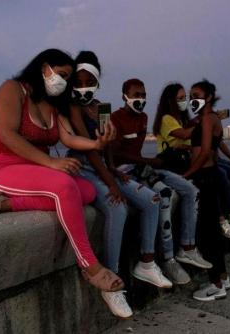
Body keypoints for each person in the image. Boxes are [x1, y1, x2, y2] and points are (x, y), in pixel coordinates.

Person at [0, 49, 123, 294]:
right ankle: (90, 265)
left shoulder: (54, 104)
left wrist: (97, 144)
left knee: (87, 191)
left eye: (67, 77)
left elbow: (69, 138)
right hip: (3, 167)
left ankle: (5, 205)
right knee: (64, 186)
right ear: (44, 68)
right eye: (61, 74)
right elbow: (7, 136)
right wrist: (50, 163)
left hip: (36, 170)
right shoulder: (12, 89)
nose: (62, 81)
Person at [67, 51, 152, 317]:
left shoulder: (100, 106)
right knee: (117, 207)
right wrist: (111, 183)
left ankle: (149, 263)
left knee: (151, 201)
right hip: (84, 168)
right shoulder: (73, 106)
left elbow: (106, 148)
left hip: (104, 167)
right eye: (78, 81)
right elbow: (91, 149)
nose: (83, 87)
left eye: (88, 80)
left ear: (96, 80)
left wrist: (114, 168)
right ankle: (111, 282)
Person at [110, 78, 212, 286]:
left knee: (190, 191)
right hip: (128, 169)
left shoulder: (144, 118)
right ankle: (167, 259)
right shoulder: (115, 118)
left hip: (144, 167)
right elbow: (116, 153)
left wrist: (147, 163)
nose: (141, 99)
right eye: (136, 95)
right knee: (163, 194)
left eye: (143, 95)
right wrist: (146, 161)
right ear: (124, 96)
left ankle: (188, 247)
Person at [153, 83, 230, 240]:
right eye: (182, 98)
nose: (186, 101)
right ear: (170, 100)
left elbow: (214, 141)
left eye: (186, 97)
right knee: (221, 176)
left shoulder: (186, 119)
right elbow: (184, 136)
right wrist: (204, 123)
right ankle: (226, 217)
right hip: (177, 161)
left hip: (199, 158)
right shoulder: (167, 119)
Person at [183, 79, 230, 301]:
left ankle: (216, 285)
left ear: (209, 97)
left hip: (204, 177)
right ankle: (223, 277)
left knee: (206, 234)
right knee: (213, 230)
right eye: (191, 95)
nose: (193, 98)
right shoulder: (211, 119)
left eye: (197, 94)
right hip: (210, 177)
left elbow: (203, 153)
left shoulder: (206, 120)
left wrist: (186, 175)